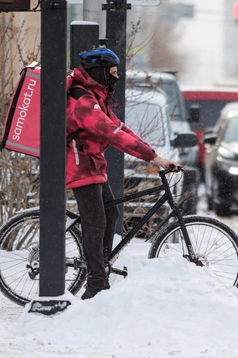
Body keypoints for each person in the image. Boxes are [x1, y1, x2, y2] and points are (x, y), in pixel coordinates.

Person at [66, 47, 177, 300]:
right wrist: (152, 158)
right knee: (95, 222)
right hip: (79, 163)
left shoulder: (95, 95)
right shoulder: (83, 100)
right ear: (100, 72)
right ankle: (96, 282)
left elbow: (119, 126)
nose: (116, 77)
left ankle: (100, 266)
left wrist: (153, 153)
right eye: (113, 73)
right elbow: (111, 133)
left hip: (92, 163)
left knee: (111, 213)